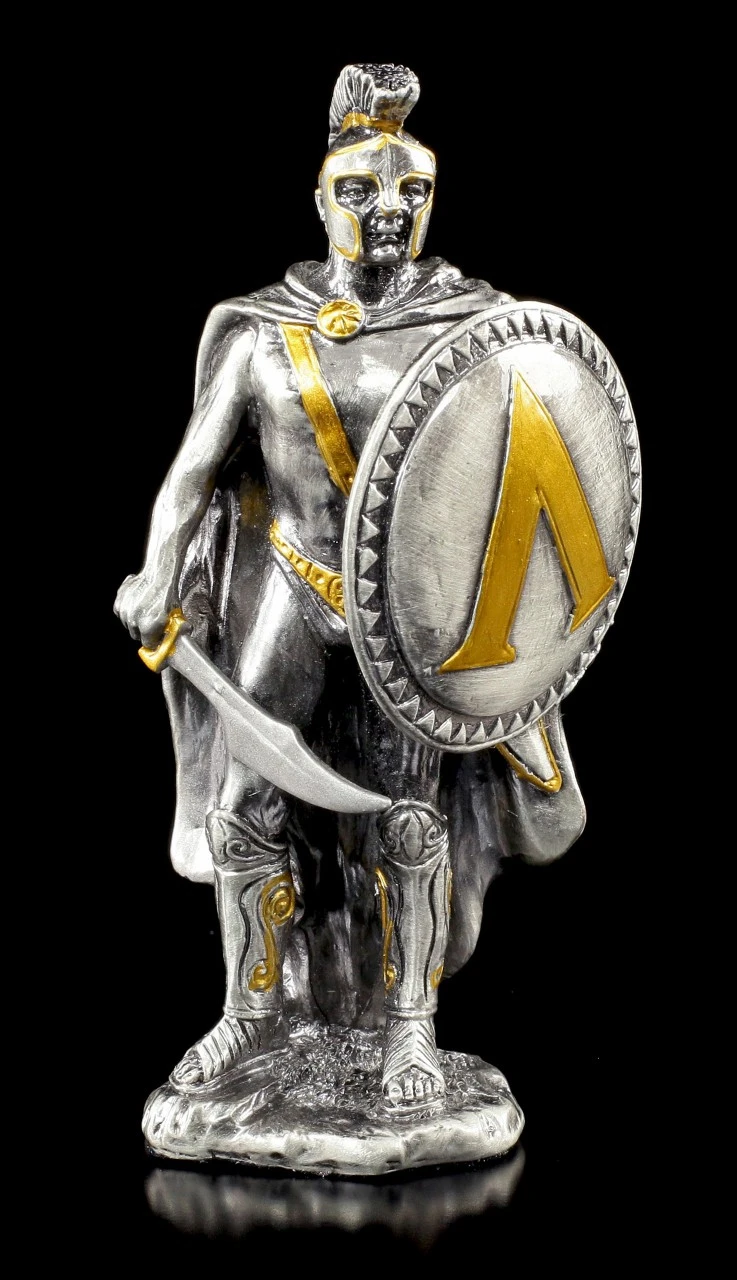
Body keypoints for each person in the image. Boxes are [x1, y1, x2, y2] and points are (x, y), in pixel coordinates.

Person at [115, 63, 586, 1109]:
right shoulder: (264, 333)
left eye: (412, 190)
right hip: (289, 588)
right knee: (246, 803)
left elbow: (523, 472)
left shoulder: (472, 328)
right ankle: (251, 1012)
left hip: (403, 614)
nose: (388, 211)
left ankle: (410, 1028)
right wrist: (159, 570)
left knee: (408, 818)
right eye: (360, 190)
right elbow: (193, 474)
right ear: (320, 197)